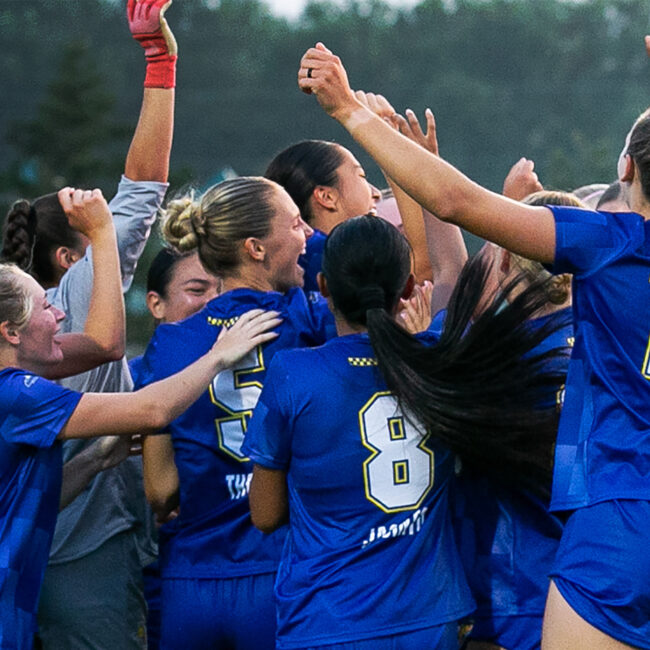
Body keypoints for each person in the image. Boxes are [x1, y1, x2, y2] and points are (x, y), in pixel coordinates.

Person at [298, 36, 650, 649]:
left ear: (625, 169)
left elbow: (456, 200)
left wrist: (348, 109)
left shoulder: (611, 242)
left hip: (624, 511)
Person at [244, 214, 565, 649]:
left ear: (322, 287)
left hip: (326, 616)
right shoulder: (440, 359)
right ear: (410, 287)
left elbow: (265, 514)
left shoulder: (293, 375)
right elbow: (454, 276)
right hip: (428, 618)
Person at [0, 188, 280, 649]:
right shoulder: (17, 395)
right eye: (46, 307)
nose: (61, 312)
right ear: (10, 332)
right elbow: (151, 408)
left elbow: (22, 502)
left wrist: (93, 462)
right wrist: (217, 356)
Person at [136, 176, 335, 649]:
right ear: (256, 248)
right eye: (294, 223)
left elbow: (160, 491)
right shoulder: (308, 319)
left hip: (191, 581)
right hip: (280, 570)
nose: (306, 233)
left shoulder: (170, 342)